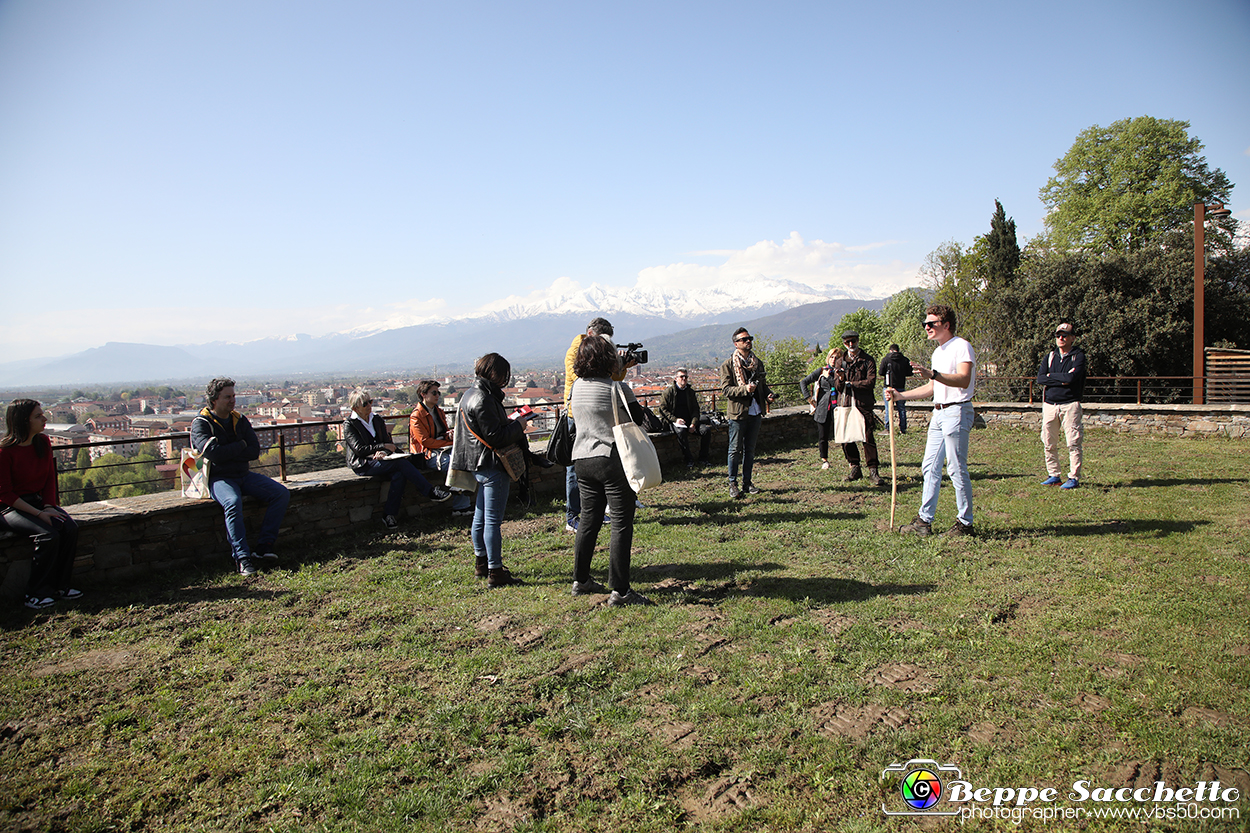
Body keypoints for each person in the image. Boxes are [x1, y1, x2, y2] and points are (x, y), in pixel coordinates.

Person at [569, 334, 653, 606]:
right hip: (612, 460)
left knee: (588, 520)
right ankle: (620, 590)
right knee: (620, 524)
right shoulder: (617, 389)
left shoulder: (576, 387)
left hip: (582, 460)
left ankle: (580, 580)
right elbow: (638, 419)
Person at [885, 305, 977, 537]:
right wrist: (900, 395)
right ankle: (924, 521)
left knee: (956, 469)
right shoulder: (938, 352)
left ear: (946, 325)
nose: (926, 327)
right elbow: (931, 388)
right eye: (925, 324)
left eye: (931, 323)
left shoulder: (961, 346)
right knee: (930, 467)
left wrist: (933, 374)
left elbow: (964, 380)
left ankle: (965, 523)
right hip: (938, 413)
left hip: (957, 411)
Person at [190, 378, 291, 575]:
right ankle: (242, 558)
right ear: (214, 399)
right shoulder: (201, 423)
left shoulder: (239, 419)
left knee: (280, 493)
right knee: (233, 503)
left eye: (234, 396)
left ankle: (264, 547)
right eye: (227, 397)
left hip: (243, 475)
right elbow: (212, 454)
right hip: (219, 479)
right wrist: (240, 446)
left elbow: (254, 451)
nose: (232, 400)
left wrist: (227, 450)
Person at [449, 353, 531, 587]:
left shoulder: (469, 394)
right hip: (492, 465)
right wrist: (519, 425)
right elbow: (496, 437)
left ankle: (481, 563)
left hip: (477, 463)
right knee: (492, 521)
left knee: (480, 516)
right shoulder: (484, 399)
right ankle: (496, 571)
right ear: (495, 373)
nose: (505, 379)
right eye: (504, 375)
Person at [1, 399, 81, 609]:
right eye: (38, 416)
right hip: (10, 507)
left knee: (69, 528)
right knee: (47, 535)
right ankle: (35, 594)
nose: (44, 418)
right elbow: (5, 494)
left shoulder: (43, 442)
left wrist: (48, 506)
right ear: (22, 420)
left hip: (37, 502)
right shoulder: (5, 452)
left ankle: (61, 586)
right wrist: (39, 515)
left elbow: (48, 478)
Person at [344, 388, 452, 530]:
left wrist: (382, 451)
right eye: (365, 404)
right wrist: (380, 448)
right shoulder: (350, 424)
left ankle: (389, 515)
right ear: (355, 408)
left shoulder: (376, 419)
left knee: (399, 474)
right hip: (363, 463)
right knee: (401, 465)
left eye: (370, 402)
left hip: (382, 460)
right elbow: (359, 449)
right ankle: (430, 491)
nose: (369, 406)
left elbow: (386, 441)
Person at [562, 317, 632, 531]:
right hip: (578, 414)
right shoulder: (577, 350)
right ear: (592, 334)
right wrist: (615, 365)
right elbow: (588, 376)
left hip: (597, 410)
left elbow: (612, 379)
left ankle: (596, 511)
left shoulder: (592, 349)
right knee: (575, 467)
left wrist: (622, 367)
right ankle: (573, 515)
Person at [720, 327, 774, 499]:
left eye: (749, 338)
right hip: (738, 414)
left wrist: (768, 395)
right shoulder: (728, 365)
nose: (748, 341)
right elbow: (726, 390)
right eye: (744, 339)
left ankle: (747, 482)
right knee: (735, 450)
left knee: (750, 450)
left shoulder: (757, 363)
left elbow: (763, 385)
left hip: (755, 411)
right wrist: (744, 389)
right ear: (736, 343)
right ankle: (732, 483)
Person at [409, 380, 474, 517]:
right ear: (423, 394)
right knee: (452, 463)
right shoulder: (416, 416)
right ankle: (461, 505)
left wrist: (448, 435)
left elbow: (440, 433)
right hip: (426, 454)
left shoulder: (438, 412)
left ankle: (461, 506)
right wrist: (447, 443)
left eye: (438, 393)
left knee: (464, 457)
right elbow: (425, 442)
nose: (437, 395)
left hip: (441, 448)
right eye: (434, 393)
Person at [1037, 322, 1086, 489]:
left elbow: (1072, 379)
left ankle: (1073, 477)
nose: (1061, 338)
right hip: (1050, 405)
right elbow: (1041, 378)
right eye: (1058, 335)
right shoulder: (1050, 357)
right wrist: (1061, 378)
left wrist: (1053, 377)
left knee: (1073, 442)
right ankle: (1054, 474)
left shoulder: (1078, 356)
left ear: (1072, 338)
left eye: (1065, 335)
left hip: (1070, 404)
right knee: (1048, 441)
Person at [833, 331, 882, 486]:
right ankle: (855, 467)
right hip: (846, 403)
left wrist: (852, 384)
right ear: (844, 344)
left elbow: (871, 382)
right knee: (846, 438)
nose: (850, 345)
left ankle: (873, 470)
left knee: (868, 437)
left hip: (863, 404)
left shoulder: (867, 360)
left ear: (858, 341)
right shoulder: (840, 362)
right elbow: (837, 387)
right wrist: (841, 379)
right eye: (847, 343)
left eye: (852, 341)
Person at [799, 348, 843, 470]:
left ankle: (851, 461)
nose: (834, 360)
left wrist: (828, 378)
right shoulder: (822, 370)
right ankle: (825, 460)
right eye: (832, 357)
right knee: (823, 436)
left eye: (837, 357)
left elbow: (839, 385)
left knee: (843, 434)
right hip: (824, 408)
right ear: (828, 358)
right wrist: (808, 398)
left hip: (838, 406)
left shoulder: (842, 372)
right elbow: (803, 382)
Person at [658, 368, 711, 469]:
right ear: (676, 378)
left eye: (685, 377)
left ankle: (703, 458)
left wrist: (694, 423)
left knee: (706, 430)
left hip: (689, 420)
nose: (684, 379)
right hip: (674, 422)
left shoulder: (690, 392)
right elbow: (663, 409)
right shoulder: (668, 392)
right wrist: (675, 419)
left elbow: (696, 409)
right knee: (681, 432)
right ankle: (689, 460)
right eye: (681, 377)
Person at [879, 343, 914, 434]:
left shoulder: (886, 359)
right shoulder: (904, 360)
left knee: (888, 408)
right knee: (901, 408)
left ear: (890, 350)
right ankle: (903, 429)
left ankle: (888, 428)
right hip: (900, 386)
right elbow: (910, 372)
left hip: (888, 386)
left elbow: (881, 372)